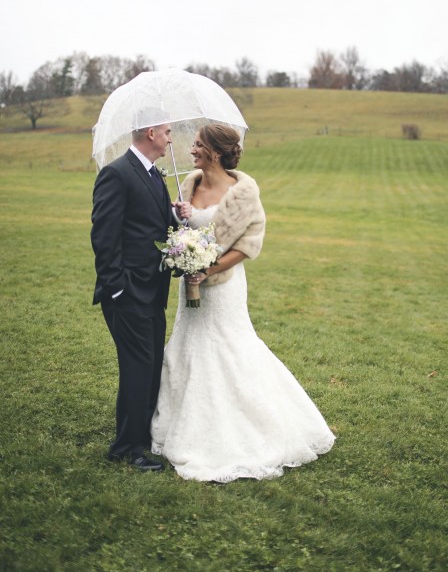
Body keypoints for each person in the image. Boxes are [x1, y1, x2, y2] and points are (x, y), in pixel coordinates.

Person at [150, 124, 335, 482]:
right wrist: (180, 219)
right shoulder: (189, 184)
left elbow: (249, 245)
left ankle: (249, 427)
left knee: (228, 349)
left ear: (216, 152)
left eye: (199, 145)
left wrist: (208, 269)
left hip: (222, 288)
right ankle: (184, 421)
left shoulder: (243, 193)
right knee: (189, 347)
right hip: (189, 283)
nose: (192, 150)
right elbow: (182, 232)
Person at [91, 119, 191, 472]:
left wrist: (177, 218)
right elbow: (104, 236)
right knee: (137, 367)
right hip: (128, 292)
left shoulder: (154, 175)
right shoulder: (117, 174)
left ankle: (140, 439)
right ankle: (126, 449)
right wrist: (117, 288)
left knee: (149, 368)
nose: (169, 141)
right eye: (166, 134)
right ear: (150, 133)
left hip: (153, 290)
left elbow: (155, 227)